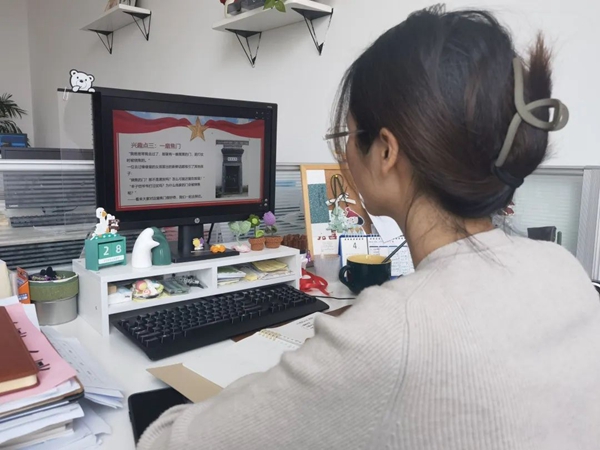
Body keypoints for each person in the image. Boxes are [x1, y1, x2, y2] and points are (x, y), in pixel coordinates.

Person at [138, 6, 600, 450]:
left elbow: (168, 442)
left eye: (347, 136)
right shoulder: (563, 270)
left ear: (385, 151)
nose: (344, 155)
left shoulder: (392, 332)